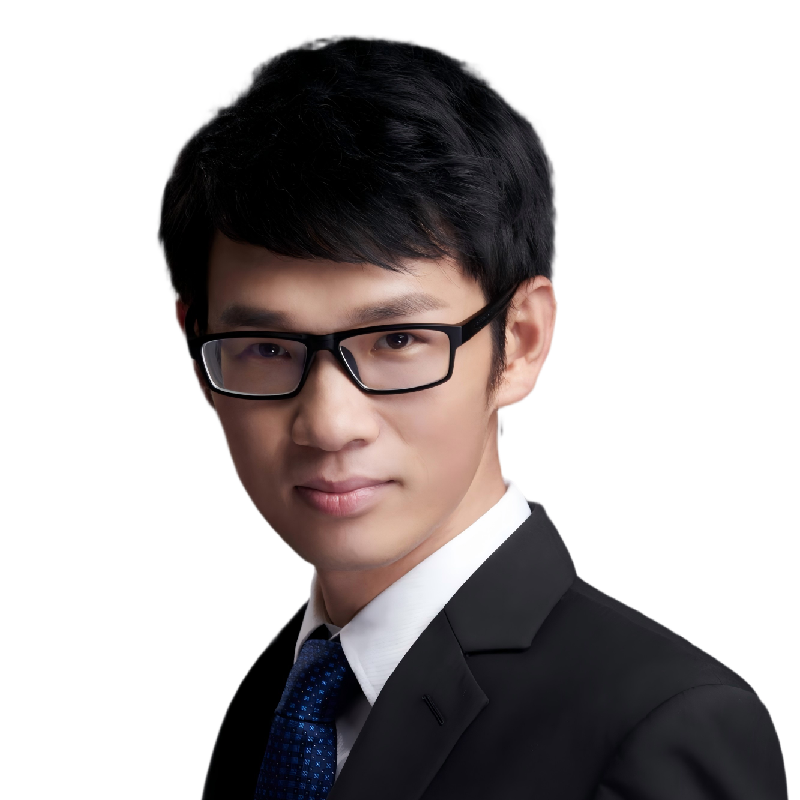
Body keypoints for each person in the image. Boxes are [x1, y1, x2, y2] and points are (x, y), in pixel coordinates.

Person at [157, 34, 787, 800]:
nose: (327, 423)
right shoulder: (266, 698)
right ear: (196, 352)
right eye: (265, 347)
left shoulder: (661, 726)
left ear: (520, 341)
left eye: (396, 340)